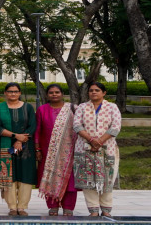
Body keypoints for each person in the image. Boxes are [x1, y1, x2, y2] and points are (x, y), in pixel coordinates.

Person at [73, 82, 121, 217]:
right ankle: (93, 210)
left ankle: (106, 210)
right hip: (84, 148)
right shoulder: (82, 107)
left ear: (104, 93)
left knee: (107, 179)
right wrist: (91, 140)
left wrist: (99, 141)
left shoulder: (112, 107)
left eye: (97, 90)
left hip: (108, 149)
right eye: (91, 90)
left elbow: (116, 127)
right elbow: (77, 125)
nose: (93, 92)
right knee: (88, 181)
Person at [0, 82, 36, 216]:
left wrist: (19, 140)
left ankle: (22, 207)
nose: (13, 94)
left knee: (25, 175)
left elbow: (32, 126)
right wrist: (14, 136)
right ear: (5, 93)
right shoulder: (0, 108)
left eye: (15, 91)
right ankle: (12, 207)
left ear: (19, 93)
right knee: (8, 175)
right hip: (6, 146)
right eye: (10, 91)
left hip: (26, 146)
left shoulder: (28, 107)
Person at [36, 84, 78, 216]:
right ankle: (52, 206)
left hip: (69, 151)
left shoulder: (72, 109)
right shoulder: (42, 110)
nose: (54, 95)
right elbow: (37, 130)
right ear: (47, 95)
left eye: (57, 92)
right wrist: (37, 149)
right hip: (48, 151)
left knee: (70, 179)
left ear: (62, 94)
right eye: (51, 93)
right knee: (49, 177)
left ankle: (68, 207)